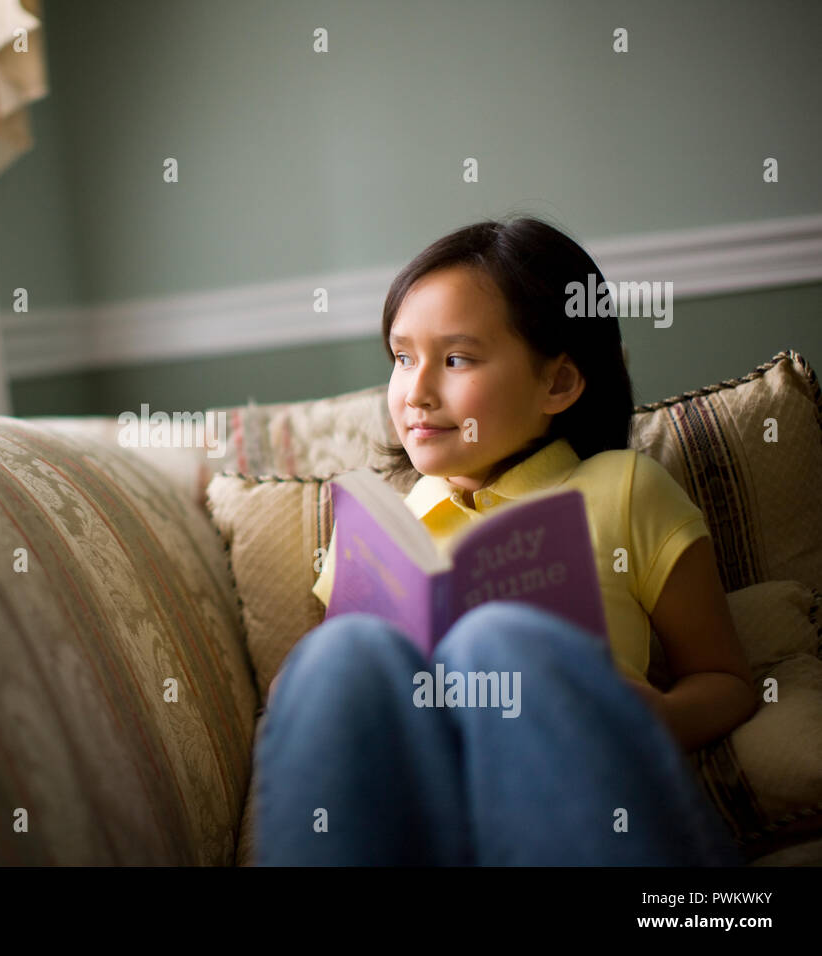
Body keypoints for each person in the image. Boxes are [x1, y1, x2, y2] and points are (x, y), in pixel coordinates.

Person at [255, 216, 757, 866]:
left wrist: (650, 715)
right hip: (421, 820)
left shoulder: (622, 487)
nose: (416, 391)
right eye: (403, 358)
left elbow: (726, 680)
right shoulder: (386, 525)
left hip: (564, 798)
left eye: (456, 358)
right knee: (340, 656)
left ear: (559, 383)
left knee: (499, 643)